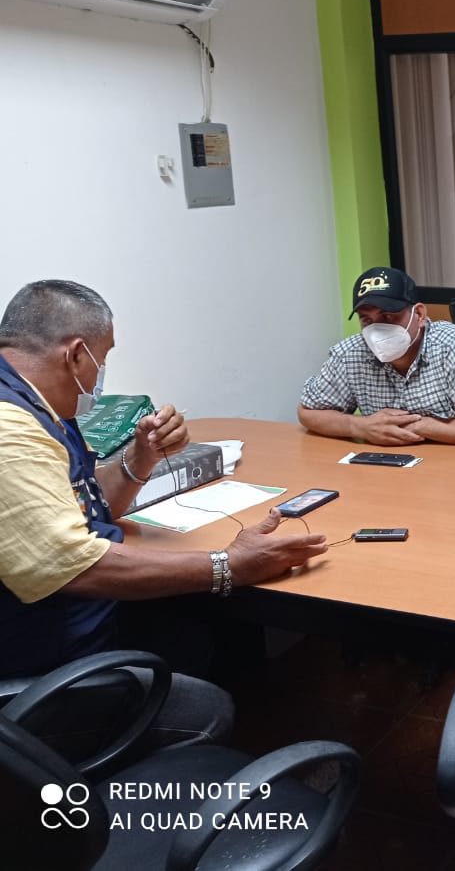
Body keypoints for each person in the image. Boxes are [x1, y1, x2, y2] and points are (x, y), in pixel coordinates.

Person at [0, 280, 328, 744]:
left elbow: (89, 506)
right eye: (102, 358)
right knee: (209, 694)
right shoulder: (10, 431)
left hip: (82, 620)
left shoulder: (40, 406)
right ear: (75, 355)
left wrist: (142, 456)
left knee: (200, 630)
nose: (100, 375)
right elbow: (75, 565)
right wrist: (227, 565)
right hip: (46, 662)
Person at [298, 266, 455, 446]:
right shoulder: (351, 353)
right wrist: (360, 427)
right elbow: (308, 412)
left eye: (388, 316)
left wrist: (418, 426)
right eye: (367, 320)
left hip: (454, 468)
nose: (377, 330)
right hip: (383, 471)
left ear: (419, 315)